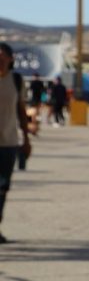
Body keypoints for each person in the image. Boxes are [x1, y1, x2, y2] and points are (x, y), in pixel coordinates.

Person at [0, 43, 32, 243]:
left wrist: (26, 139)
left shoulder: (16, 80)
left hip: (9, 142)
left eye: (3, 55)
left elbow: (21, 111)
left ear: (11, 59)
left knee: (3, 187)